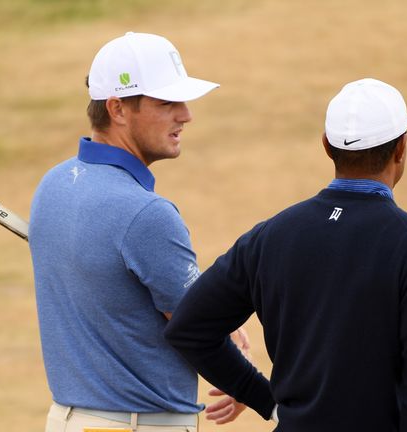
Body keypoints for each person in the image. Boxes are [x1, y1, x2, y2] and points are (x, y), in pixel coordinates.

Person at [165, 78, 407, 431]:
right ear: (400, 149)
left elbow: (189, 327)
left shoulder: (271, 236)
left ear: (326, 146)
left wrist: (265, 399)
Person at [29, 32, 247, 432]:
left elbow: (148, 300)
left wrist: (205, 307)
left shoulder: (54, 184)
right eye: (167, 103)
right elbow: (196, 332)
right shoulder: (147, 214)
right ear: (117, 109)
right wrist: (248, 385)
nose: (185, 115)